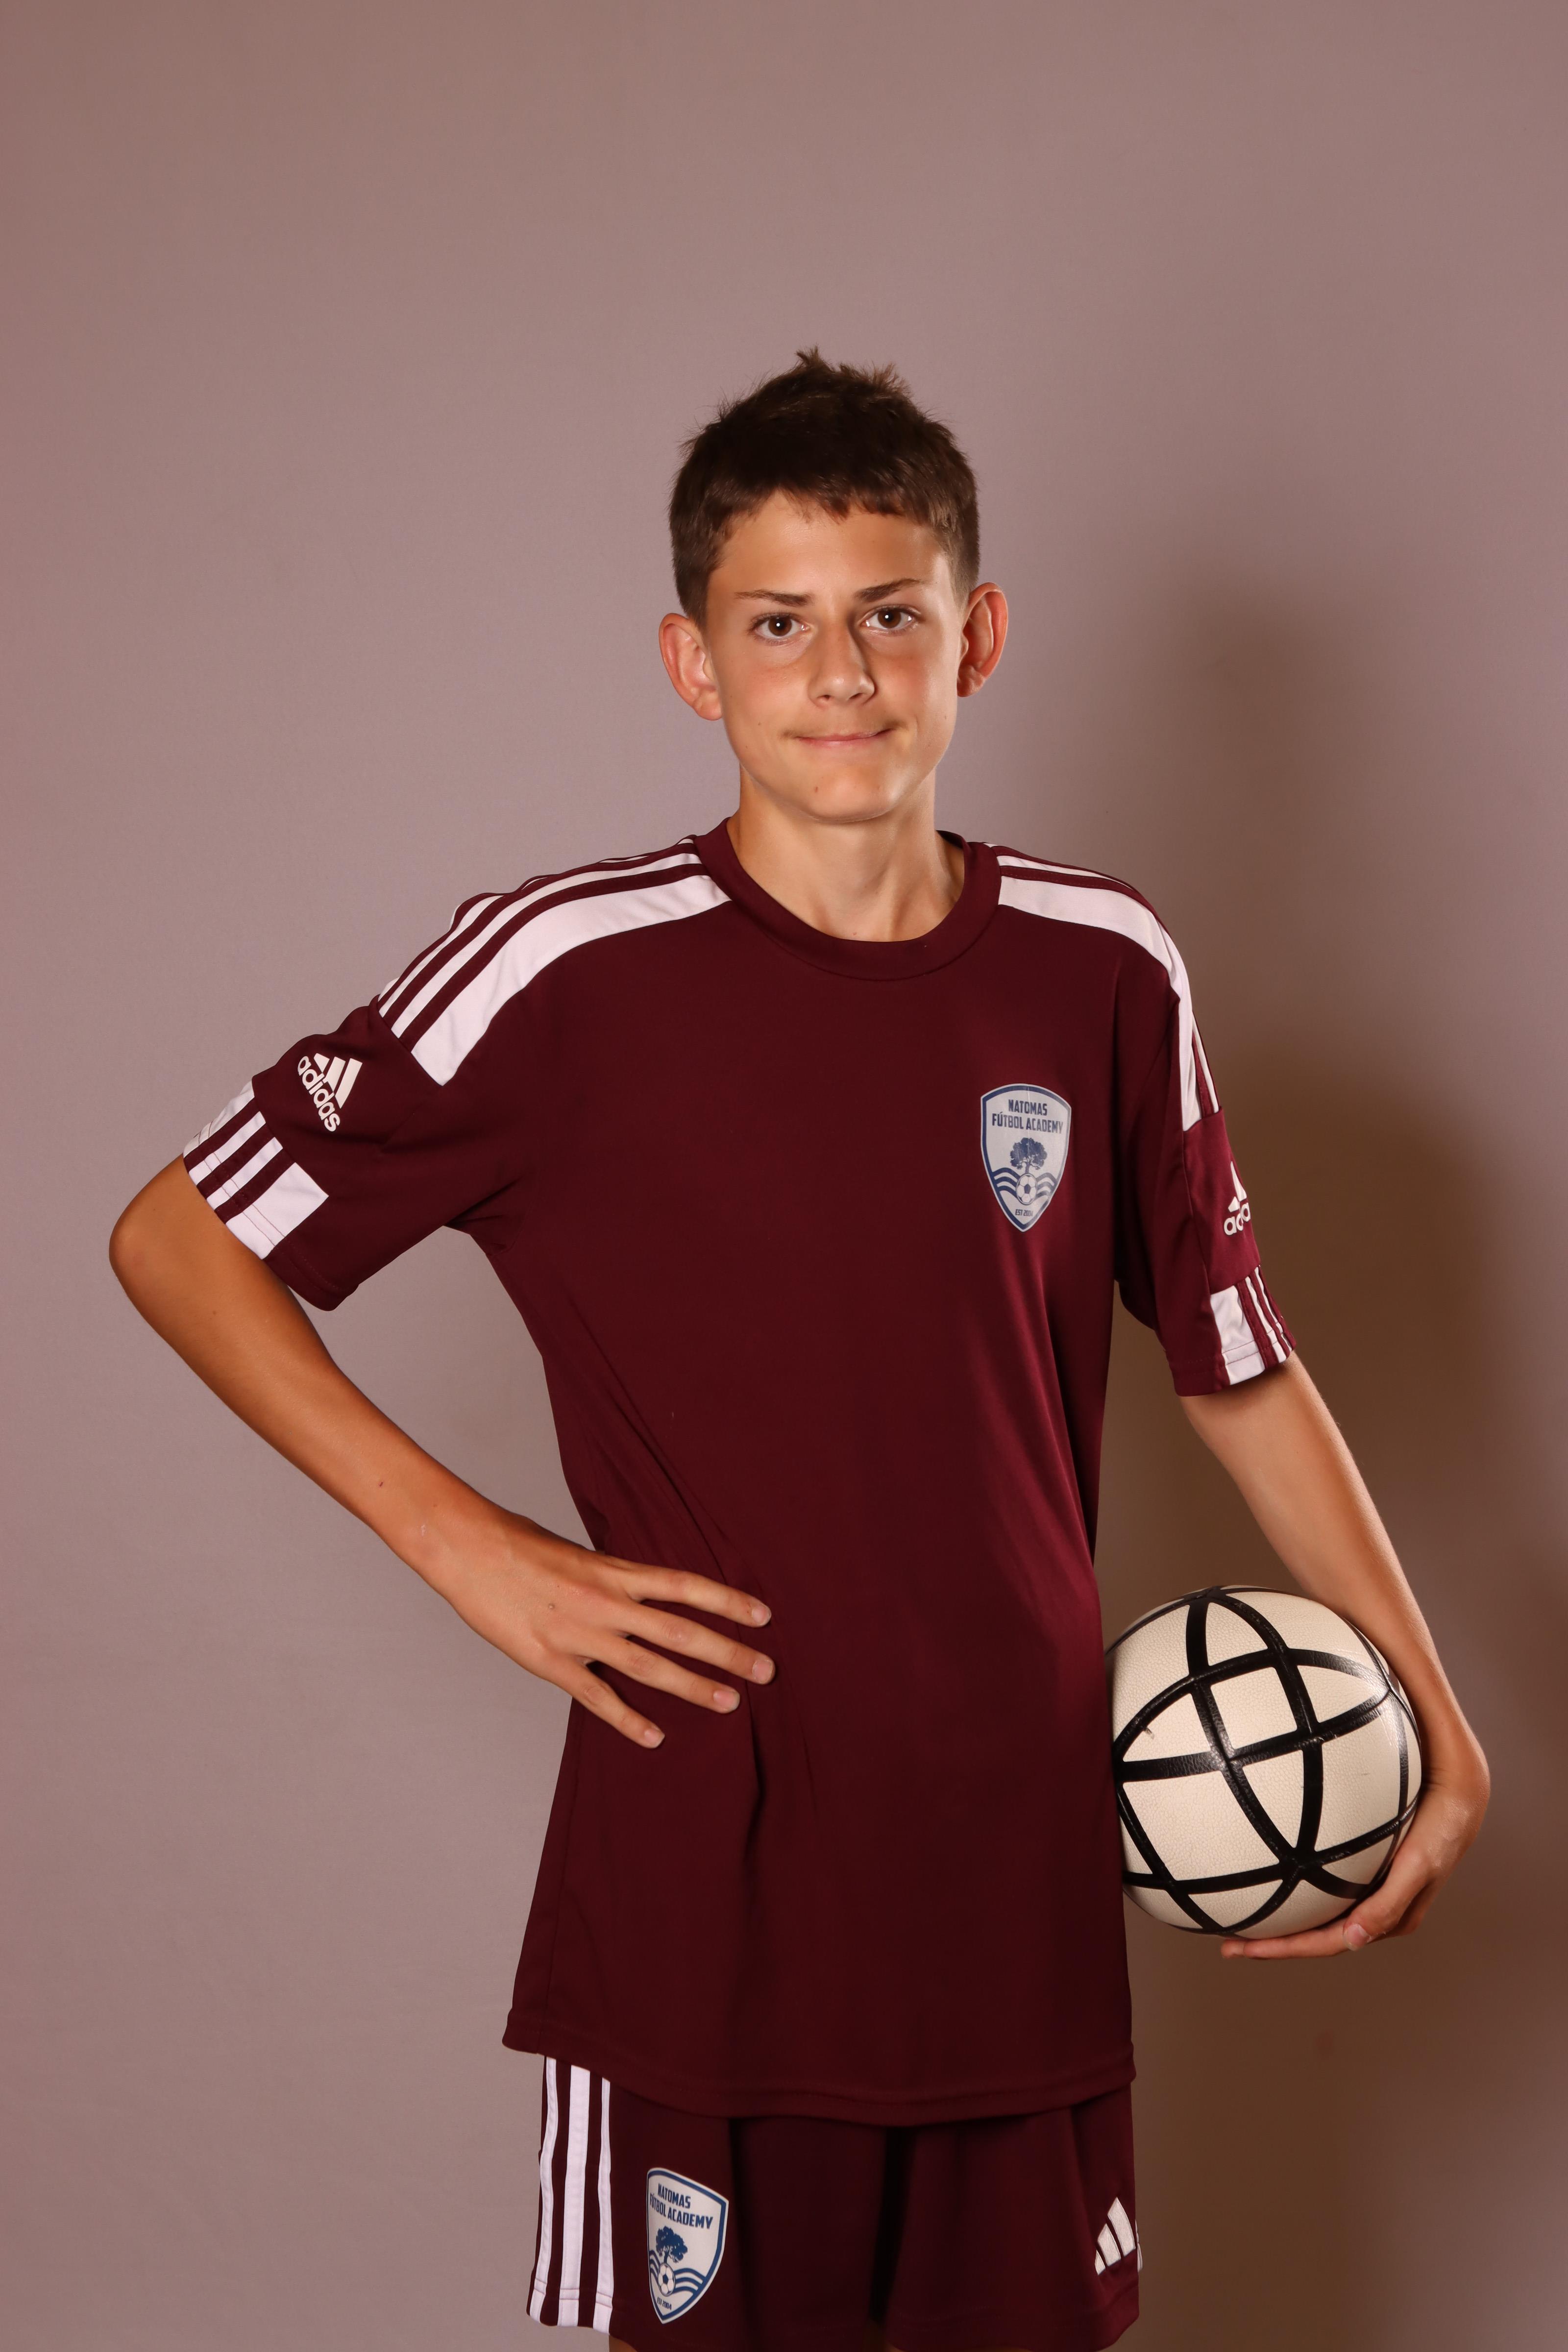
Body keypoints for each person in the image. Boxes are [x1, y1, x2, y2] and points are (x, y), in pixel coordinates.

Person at [110, 352, 1489, 2352]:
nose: (839, 674)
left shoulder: (1102, 966)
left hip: (1013, 1883)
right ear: (693, 663)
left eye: (889, 615)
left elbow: (1236, 1363)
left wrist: (1434, 1712)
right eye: (778, 624)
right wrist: (471, 1551)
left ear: (976, 638)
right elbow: (179, 1241)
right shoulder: (563, 973)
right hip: (709, 1897)